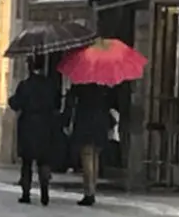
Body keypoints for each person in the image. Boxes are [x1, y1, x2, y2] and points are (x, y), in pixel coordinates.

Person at [9, 56, 60, 206]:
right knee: (44, 161)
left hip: (28, 126)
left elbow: (16, 103)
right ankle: (45, 192)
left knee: (27, 162)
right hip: (46, 126)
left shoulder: (25, 85)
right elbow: (57, 104)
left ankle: (26, 193)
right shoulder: (50, 85)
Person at [64, 83, 112, 207]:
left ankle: (88, 192)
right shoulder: (104, 85)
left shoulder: (81, 83)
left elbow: (71, 102)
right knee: (95, 157)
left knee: (87, 156)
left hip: (85, 123)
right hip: (101, 124)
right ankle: (93, 189)